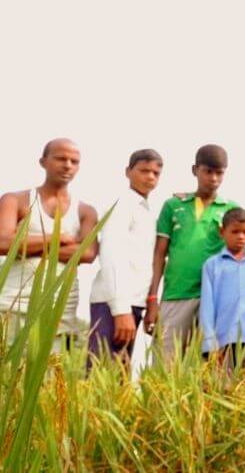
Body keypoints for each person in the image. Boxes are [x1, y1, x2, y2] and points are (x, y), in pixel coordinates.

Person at [145, 144, 245, 357]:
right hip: (176, 293)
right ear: (195, 170)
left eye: (219, 173)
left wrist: (234, 264)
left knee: (212, 367)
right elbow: (159, 254)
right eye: (208, 171)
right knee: (166, 365)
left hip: (216, 298)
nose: (213, 178)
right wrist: (152, 299)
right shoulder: (173, 205)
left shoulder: (231, 209)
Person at [0, 139, 99, 346]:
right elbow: (3, 243)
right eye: (61, 158)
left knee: (53, 375)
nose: (68, 165)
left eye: (74, 161)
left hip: (60, 311)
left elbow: (88, 253)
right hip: (11, 305)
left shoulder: (85, 211)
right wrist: (60, 239)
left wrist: (24, 245)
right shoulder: (15, 200)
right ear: (43, 161)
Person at [88, 149, 163, 367]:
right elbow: (112, 257)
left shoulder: (147, 211)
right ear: (128, 172)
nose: (150, 177)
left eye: (156, 173)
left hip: (136, 303)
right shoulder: (122, 206)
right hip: (114, 303)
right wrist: (121, 311)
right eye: (144, 171)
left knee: (120, 375)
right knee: (102, 374)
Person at [199, 208, 245, 370]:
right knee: (221, 390)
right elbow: (207, 308)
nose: (241, 237)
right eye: (235, 232)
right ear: (222, 232)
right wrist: (210, 343)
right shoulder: (212, 266)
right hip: (221, 343)